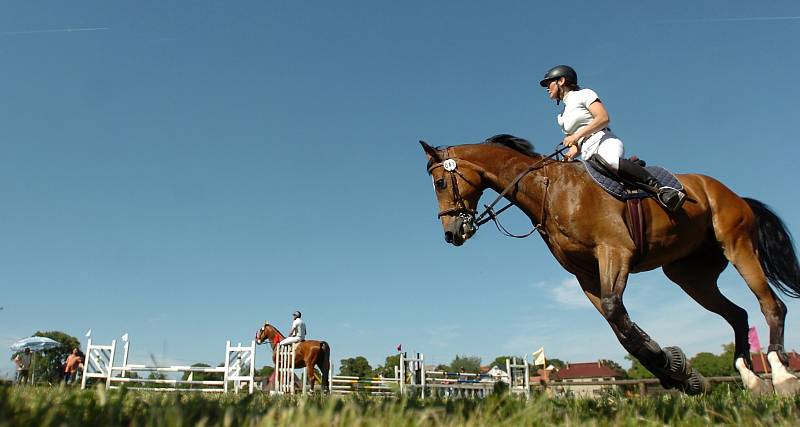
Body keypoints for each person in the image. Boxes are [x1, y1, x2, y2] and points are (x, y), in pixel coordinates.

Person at [539, 65, 686, 212]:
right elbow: (577, 144)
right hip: (588, 153)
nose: (547, 88)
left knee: (610, 162)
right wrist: (569, 155)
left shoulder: (584, 94)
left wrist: (576, 135)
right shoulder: (562, 116)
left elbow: (603, 118)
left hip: (604, 141)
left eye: (549, 83)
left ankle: (662, 189)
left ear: (562, 81)